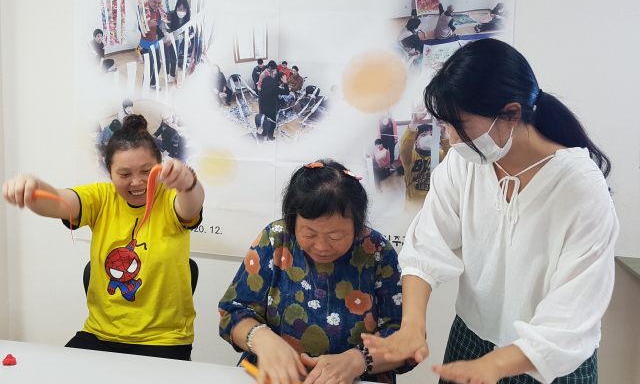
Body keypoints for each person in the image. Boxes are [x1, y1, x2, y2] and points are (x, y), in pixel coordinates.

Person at [362, 38, 618, 384]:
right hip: (473, 339)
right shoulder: (465, 163)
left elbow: (574, 311)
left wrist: (496, 365)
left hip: (547, 360)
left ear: (511, 114)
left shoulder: (580, 188)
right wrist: (411, 327)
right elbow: (426, 247)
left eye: (460, 125)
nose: (452, 139)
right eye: (446, 125)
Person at [2, 114, 205, 360]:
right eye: (124, 174)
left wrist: (188, 183)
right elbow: (56, 201)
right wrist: (32, 188)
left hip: (164, 340)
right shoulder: (101, 197)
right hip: (99, 335)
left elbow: (191, 206)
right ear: (109, 172)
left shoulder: (171, 197)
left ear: (160, 165)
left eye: (146, 171)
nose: (137, 182)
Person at [218, 159, 413, 384]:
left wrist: (358, 360)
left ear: (357, 226)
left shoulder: (376, 250)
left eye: (336, 236)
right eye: (309, 234)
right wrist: (261, 339)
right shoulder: (277, 238)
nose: (321, 246)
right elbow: (232, 311)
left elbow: (405, 337)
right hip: (274, 378)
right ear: (293, 221)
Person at [138, 0, 167, 89]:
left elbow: (160, 26)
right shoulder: (143, 10)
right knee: (149, 67)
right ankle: (144, 88)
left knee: (158, 64)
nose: (157, 5)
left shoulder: (159, 11)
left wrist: (165, 33)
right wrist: (147, 25)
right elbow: (139, 28)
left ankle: (153, 84)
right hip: (145, 44)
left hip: (155, 42)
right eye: (154, 2)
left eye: (159, 2)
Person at [164, 0, 192, 83]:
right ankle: (167, 74)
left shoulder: (187, 18)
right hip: (166, 38)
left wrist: (187, 39)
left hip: (176, 39)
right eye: (179, 9)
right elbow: (165, 27)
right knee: (166, 58)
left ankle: (172, 76)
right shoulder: (170, 14)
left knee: (174, 58)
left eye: (183, 9)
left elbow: (187, 31)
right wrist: (168, 38)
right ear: (176, 8)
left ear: (187, 10)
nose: (181, 11)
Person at [258, 61, 288, 139]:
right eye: (274, 69)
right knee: (269, 120)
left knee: (266, 118)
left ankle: (266, 133)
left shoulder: (270, 77)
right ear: (270, 68)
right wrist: (285, 83)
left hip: (266, 101)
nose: (274, 71)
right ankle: (268, 134)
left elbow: (270, 84)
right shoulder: (263, 75)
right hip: (267, 102)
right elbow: (259, 87)